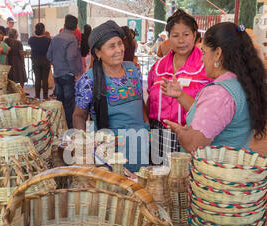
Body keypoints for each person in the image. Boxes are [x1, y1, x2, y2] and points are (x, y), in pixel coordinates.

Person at [162, 22, 267, 152]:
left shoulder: (219, 93)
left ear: (217, 53)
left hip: (213, 170)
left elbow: (192, 144)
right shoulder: (243, 83)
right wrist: (180, 95)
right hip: (233, 167)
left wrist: (180, 132)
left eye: (204, 53)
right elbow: (215, 119)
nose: (202, 59)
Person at [73, 20, 149, 173]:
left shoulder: (133, 70)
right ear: (98, 52)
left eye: (120, 44)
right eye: (111, 46)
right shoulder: (89, 80)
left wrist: (147, 128)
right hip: (110, 150)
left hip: (140, 145)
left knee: (139, 189)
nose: (119, 50)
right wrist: (86, 145)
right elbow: (79, 116)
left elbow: (139, 102)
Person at [147, 9, 211, 164]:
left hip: (191, 133)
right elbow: (150, 98)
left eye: (186, 34)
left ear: (195, 35)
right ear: (169, 38)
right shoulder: (158, 67)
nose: (181, 40)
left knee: (185, 180)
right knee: (158, 178)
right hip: (159, 134)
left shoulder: (207, 66)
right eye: (175, 36)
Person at [47, 15, 82, 129]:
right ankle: (69, 128)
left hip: (57, 73)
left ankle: (59, 127)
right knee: (69, 104)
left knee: (60, 102)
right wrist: (76, 72)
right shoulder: (72, 39)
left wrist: (57, 64)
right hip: (68, 75)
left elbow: (49, 55)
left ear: (64, 25)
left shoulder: (56, 38)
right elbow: (71, 57)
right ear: (76, 27)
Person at [28, 23, 52, 100]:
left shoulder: (31, 39)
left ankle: (37, 96)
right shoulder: (48, 40)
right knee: (45, 79)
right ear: (43, 30)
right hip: (46, 60)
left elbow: (30, 43)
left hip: (35, 60)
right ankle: (45, 96)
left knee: (37, 78)